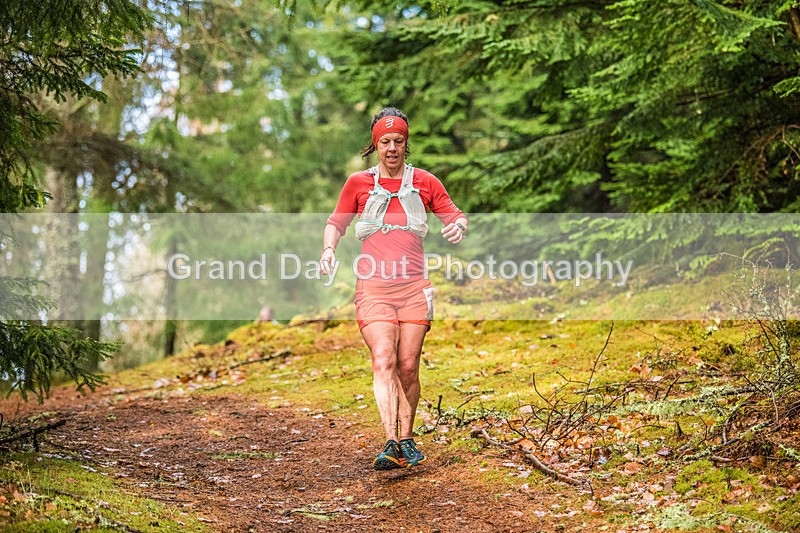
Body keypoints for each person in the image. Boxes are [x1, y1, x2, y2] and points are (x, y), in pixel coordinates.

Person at [321, 107, 468, 470]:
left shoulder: (425, 182)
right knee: (383, 358)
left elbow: (454, 214)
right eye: (384, 141)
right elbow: (335, 223)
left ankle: (407, 438)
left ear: (406, 144)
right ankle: (391, 440)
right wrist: (327, 250)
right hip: (373, 288)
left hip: (414, 288)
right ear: (375, 145)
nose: (391, 148)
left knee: (408, 367)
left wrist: (459, 227)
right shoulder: (358, 183)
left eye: (398, 141)